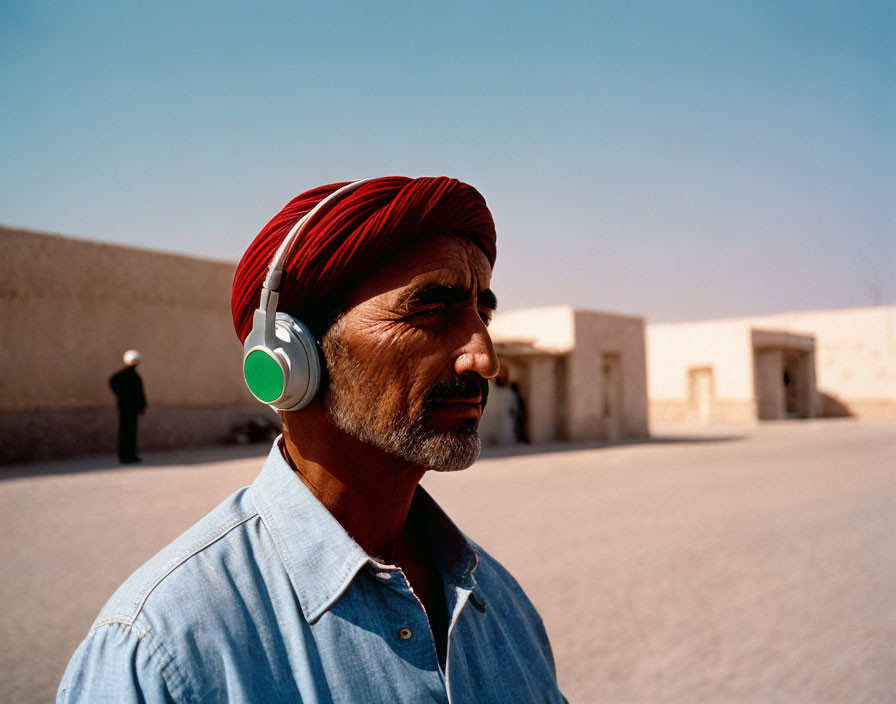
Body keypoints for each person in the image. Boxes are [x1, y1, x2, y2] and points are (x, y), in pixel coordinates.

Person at [59, 177, 566, 703]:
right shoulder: (163, 651)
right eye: (430, 311)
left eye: (482, 314)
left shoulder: (501, 605)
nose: (483, 358)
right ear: (290, 355)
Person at [108, 350, 146, 464]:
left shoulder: (124, 376)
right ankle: (127, 456)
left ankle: (129, 455)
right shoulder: (133, 377)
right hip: (129, 408)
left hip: (128, 408)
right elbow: (140, 394)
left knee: (128, 432)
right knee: (128, 432)